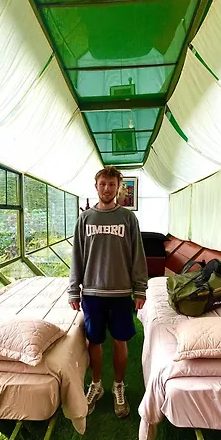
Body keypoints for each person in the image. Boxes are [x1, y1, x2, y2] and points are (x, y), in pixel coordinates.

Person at [68, 166, 148, 419]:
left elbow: (138, 255)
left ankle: (118, 385)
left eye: (111, 184)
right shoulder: (85, 219)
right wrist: (73, 290)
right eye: (103, 184)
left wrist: (140, 289)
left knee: (120, 340)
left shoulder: (127, 218)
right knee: (94, 341)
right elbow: (77, 256)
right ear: (96, 186)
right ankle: (96, 384)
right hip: (92, 293)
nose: (107, 188)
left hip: (121, 293)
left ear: (118, 188)